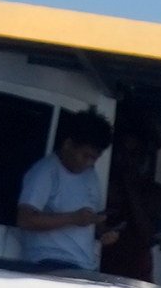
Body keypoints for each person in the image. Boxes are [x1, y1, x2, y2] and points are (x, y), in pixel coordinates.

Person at [15, 109, 113, 271]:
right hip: (47, 262)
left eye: (94, 158)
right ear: (68, 145)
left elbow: (89, 220)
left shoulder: (91, 175)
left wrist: (104, 232)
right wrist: (73, 218)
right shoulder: (45, 171)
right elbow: (25, 219)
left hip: (84, 265)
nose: (88, 163)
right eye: (85, 155)